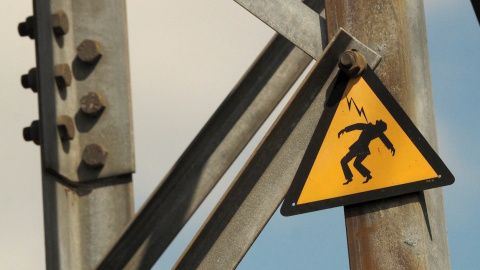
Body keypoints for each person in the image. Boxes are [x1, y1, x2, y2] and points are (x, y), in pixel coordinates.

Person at [338, 120, 395, 185]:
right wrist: (391, 147)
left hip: (358, 148)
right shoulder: (377, 131)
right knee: (356, 164)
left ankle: (349, 178)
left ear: (379, 126)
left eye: (380, 121)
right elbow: (384, 138)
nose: (379, 120)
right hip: (364, 150)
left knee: (344, 161)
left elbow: (357, 125)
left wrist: (344, 130)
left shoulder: (370, 127)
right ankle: (367, 175)